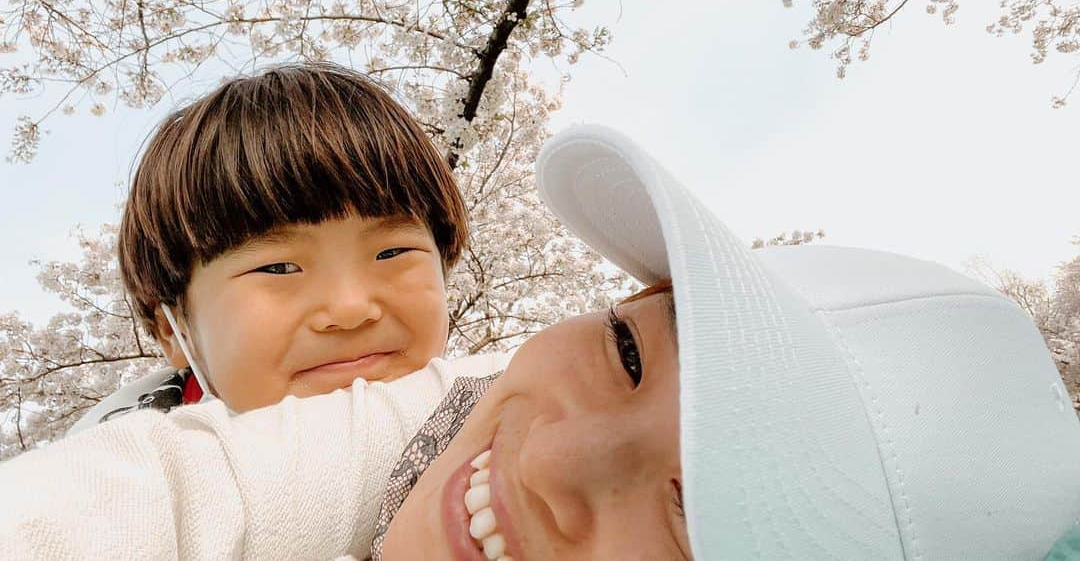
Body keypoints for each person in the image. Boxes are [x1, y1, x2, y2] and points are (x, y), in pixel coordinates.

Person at [3, 125, 1079, 560]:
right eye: (625, 349)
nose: (347, 310)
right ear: (168, 318)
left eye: (697, 506)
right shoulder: (435, 416)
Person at [72, 62, 470, 429]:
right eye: (278, 268)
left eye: (391, 253)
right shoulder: (123, 488)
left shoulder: (500, 430)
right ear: (173, 330)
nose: (350, 309)